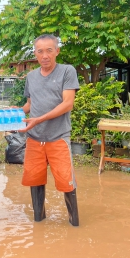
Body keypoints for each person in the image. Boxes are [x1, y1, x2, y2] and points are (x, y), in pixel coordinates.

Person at [19, 34, 80, 226]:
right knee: (35, 180)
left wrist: (39, 119)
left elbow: (68, 104)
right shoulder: (31, 76)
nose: (44, 55)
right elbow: (29, 104)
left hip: (58, 137)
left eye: (49, 50)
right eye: (40, 51)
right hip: (34, 138)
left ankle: (74, 222)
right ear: (35, 54)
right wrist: (12, 115)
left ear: (57, 51)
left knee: (66, 182)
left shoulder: (67, 71)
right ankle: (39, 220)